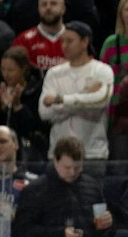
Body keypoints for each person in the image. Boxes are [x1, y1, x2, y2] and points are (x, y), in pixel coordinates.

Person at [40, 21, 112, 159]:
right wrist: (85, 98)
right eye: (62, 41)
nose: (64, 46)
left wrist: (60, 100)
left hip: (92, 153)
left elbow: (100, 101)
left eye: (70, 41)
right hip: (58, 155)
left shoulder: (102, 70)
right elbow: (45, 112)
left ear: (84, 42)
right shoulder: (54, 73)